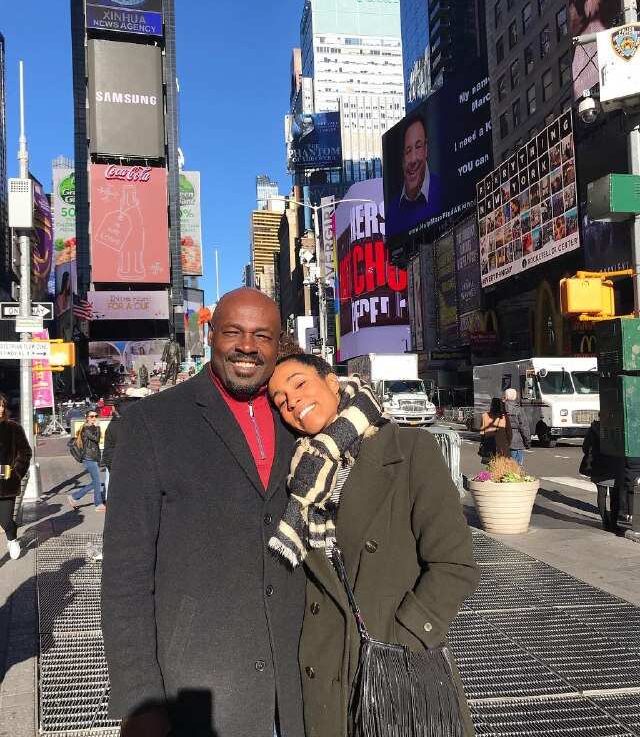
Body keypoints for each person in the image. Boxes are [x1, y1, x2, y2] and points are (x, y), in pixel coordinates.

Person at [101, 288, 305, 737]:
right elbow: (125, 574)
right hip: (201, 689)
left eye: (262, 336)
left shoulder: (300, 420)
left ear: (278, 344)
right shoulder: (151, 424)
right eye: (233, 332)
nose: (247, 346)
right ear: (212, 335)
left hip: (299, 689)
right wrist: (140, 700)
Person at [267, 353, 478, 737]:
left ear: (332, 381)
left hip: (397, 664)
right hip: (325, 670)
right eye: (280, 400)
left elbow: (454, 564)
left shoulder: (409, 449)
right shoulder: (296, 476)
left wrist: (404, 639)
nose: (292, 401)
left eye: (298, 384)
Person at [386, 113, 442, 237]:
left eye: (418, 147)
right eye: (408, 151)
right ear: (401, 159)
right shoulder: (392, 212)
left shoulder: (444, 190)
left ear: (426, 149)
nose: (413, 159)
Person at [0, 394, 32, 560]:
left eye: (2, 406)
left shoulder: (13, 427)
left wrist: (15, 473)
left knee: (6, 521)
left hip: (6, 484)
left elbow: (26, 453)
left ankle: (12, 540)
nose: (0, 409)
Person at [579, 419, 618, 530]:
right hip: (613, 464)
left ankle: (605, 521)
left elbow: (585, 447)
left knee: (601, 494)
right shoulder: (616, 427)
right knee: (615, 495)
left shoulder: (593, 429)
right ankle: (614, 523)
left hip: (597, 464)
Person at [67, 411, 105, 513]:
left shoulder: (91, 427)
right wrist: (97, 427)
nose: (94, 418)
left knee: (95, 482)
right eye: (91, 416)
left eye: (96, 416)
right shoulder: (86, 429)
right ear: (87, 418)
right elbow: (96, 439)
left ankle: (74, 497)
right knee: (97, 481)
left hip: (93, 458)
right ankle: (98, 504)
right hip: (89, 459)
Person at [503, 388, 531, 466]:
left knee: (504, 465)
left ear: (505, 396)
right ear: (515, 397)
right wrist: (527, 442)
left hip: (502, 440)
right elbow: (524, 427)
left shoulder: (500, 409)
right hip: (516, 441)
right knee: (516, 466)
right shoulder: (518, 410)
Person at [479, 397, 512, 463]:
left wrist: (483, 442)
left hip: (489, 443)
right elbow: (509, 432)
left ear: (491, 405)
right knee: (501, 465)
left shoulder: (485, 415)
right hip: (502, 444)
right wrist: (508, 443)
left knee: (490, 464)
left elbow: (482, 432)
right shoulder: (504, 417)